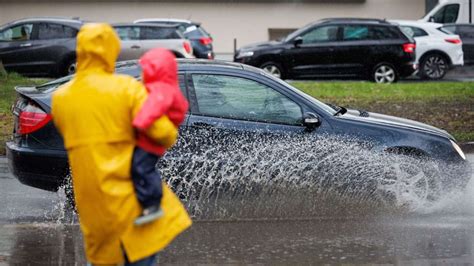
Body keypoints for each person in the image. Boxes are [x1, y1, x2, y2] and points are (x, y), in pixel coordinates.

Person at [51, 23, 191, 265]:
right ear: (110, 50)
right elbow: (165, 135)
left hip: (93, 208)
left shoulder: (60, 99)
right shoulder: (126, 89)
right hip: (131, 205)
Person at [131, 48, 189, 225]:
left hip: (151, 140)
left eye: (144, 69)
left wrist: (139, 123)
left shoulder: (161, 89)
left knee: (142, 168)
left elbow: (153, 108)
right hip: (154, 138)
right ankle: (147, 204)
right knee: (140, 167)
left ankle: (153, 204)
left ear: (154, 69)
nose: (141, 73)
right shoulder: (164, 86)